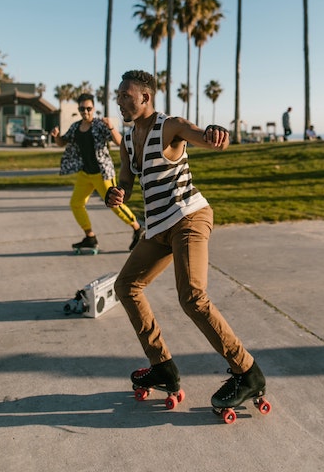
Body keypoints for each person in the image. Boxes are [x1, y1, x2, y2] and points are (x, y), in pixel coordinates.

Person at [105, 70, 266, 411]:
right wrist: (117, 193)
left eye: (125, 95)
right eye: (118, 95)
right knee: (126, 286)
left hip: (189, 217)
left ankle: (248, 372)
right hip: (159, 227)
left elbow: (201, 135)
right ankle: (163, 367)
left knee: (192, 297)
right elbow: (126, 180)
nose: (119, 100)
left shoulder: (170, 126)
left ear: (145, 98)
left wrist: (214, 134)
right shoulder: (127, 138)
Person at [50, 93, 144, 252]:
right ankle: (90, 237)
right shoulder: (75, 127)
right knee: (76, 204)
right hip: (85, 174)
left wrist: (111, 127)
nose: (85, 111)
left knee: (115, 205)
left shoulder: (100, 125)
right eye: (82, 108)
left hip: (103, 174)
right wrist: (56, 136)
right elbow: (62, 142)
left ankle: (137, 228)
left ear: (94, 108)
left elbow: (119, 142)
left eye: (88, 108)